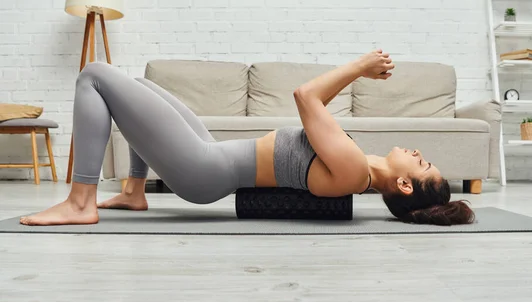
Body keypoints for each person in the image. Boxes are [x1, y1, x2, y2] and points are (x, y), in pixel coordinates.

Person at [20, 50, 475, 227]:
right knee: (138, 86)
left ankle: (81, 203)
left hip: (203, 170)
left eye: (422, 163)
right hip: (211, 154)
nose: (417, 154)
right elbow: (318, 107)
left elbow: (305, 96)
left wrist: (358, 67)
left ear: (403, 186)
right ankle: (134, 193)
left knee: (94, 75)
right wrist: (356, 75)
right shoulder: (355, 163)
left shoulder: (354, 170)